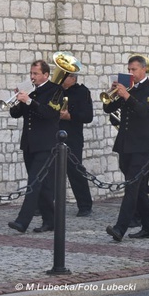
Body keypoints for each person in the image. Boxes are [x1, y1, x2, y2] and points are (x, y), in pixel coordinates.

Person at [104, 55, 149, 242]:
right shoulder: (127, 88)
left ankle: (120, 228)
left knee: (131, 186)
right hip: (125, 144)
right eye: (129, 70)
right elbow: (108, 109)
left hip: (142, 145)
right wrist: (112, 92)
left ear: (143, 70)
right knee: (136, 188)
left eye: (134, 70)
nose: (131, 73)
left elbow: (145, 111)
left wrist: (127, 96)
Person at [8, 59, 64, 234]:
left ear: (45, 75)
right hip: (29, 144)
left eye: (36, 74)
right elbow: (15, 114)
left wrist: (30, 101)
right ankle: (51, 221)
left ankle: (22, 221)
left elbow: (50, 113)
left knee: (33, 182)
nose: (32, 77)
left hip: (46, 144)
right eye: (31, 73)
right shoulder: (31, 91)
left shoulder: (56, 90)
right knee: (43, 185)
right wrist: (18, 100)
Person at [59, 72, 94, 217]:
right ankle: (41, 205)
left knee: (75, 171)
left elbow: (88, 116)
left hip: (72, 136)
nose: (61, 79)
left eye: (65, 76)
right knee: (47, 171)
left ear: (73, 78)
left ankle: (85, 205)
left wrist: (70, 116)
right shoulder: (55, 90)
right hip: (53, 134)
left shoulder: (82, 92)